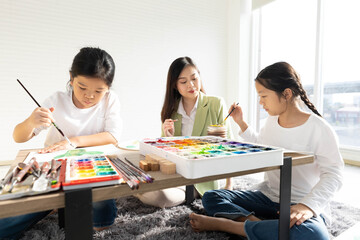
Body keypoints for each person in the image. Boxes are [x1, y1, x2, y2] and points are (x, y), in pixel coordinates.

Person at [189, 62, 344, 239]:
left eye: (264, 96)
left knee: (314, 235)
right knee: (211, 197)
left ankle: (228, 225)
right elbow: (261, 146)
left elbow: (334, 174)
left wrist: (307, 206)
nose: (261, 102)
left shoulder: (319, 128)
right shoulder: (271, 122)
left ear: (286, 94)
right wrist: (240, 121)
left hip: (301, 202)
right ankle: (262, 226)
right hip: (269, 198)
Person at [0, 47, 122, 239]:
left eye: (99, 91)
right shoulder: (56, 100)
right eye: (82, 87)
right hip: (52, 169)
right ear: (71, 78)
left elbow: (113, 136)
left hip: (91, 169)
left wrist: (73, 142)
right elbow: (18, 137)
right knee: (5, 223)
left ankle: (59, 203)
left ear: (108, 87)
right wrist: (31, 122)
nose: (89, 96)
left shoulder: (110, 100)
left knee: (102, 222)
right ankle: (56, 203)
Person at [136, 56, 233, 208]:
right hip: (175, 174)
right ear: (175, 85)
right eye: (183, 82)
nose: (191, 85)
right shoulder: (171, 110)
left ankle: (135, 191)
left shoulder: (216, 104)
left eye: (194, 78)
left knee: (159, 196)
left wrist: (229, 184)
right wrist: (168, 137)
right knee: (142, 178)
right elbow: (164, 155)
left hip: (200, 179)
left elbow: (229, 145)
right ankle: (134, 189)